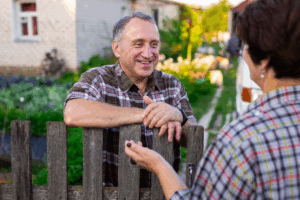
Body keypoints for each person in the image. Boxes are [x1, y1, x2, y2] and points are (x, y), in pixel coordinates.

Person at [125, 0, 300, 199]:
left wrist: (158, 165)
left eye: (247, 45)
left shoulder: (241, 142)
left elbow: (193, 135)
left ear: (264, 62)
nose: (243, 52)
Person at [63, 11, 197, 188]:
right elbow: (73, 113)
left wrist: (180, 116)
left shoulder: (171, 84)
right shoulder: (99, 79)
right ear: (117, 48)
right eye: (138, 44)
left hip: (163, 192)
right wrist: (147, 115)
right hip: (112, 194)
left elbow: (195, 140)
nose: (148, 54)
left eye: (154, 44)